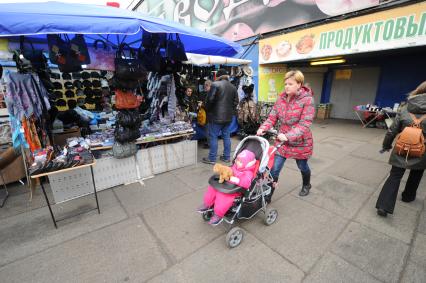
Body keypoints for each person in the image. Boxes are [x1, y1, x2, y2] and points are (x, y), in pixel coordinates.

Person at [256, 70, 315, 197]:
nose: (287, 86)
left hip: (300, 142)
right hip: (282, 141)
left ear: (299, 84)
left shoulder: (307, 100)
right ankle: (268, 195)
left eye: (290, 84)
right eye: (286, 83)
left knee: (302, 166)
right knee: (275, 168)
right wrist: (263, 128)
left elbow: (305, 123)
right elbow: (272, 117)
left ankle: (306, 184)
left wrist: (288, 136)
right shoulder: (281, 98)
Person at [376, 81, 426, 217]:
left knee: (395, 175)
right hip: (422, 151)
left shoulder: (406, 108)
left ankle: (383, 206)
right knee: (416, 173)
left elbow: (392, 131)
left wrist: (386, 145)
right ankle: (408, 196)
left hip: (402, 147)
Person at [197, 149, 257, 225]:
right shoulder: (235, 166)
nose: (238, 162)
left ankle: (218, 214)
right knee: (213, 188)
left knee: (222, 195)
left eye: (240, 162)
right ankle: (207, 203)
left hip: (236, 190)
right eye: (237, 160)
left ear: (247, 164)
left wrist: (235, 179)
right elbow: (228, 170)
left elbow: (246, 183)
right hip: (227, 185)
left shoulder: (248, 173)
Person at [202, 69, 239, 164]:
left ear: (218, 76)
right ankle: (226, 157)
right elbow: (236, 102)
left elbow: (210, 100)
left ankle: (212, 158)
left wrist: (206, 109)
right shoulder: (233, 87)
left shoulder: (215, 84)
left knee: (213, 136)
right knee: (226, 136)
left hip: (216, 117)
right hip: (228, 117)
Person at [202, 80, 212, 149]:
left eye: (206, 85)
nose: (204, 87)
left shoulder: (210, 94)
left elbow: (208, 106)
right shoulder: (210, 93)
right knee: (209, 131)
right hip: (210, 115)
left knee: (208, 131)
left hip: (209, 116)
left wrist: (202, 105)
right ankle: (209, 143)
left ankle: (209, 144)